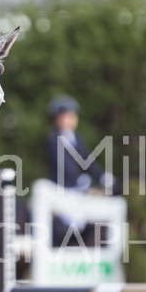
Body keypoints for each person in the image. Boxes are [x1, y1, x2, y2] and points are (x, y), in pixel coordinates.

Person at [45, 95, 117, 247]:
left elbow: (88, 161)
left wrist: (102, 176)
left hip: (78, 189)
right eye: (65, 117)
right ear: (58, 119)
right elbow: (61, 165)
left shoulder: (77, 138)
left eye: (71, 116)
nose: (69, 120)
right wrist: (77, 180)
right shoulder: (53, 139)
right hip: (63, 189)